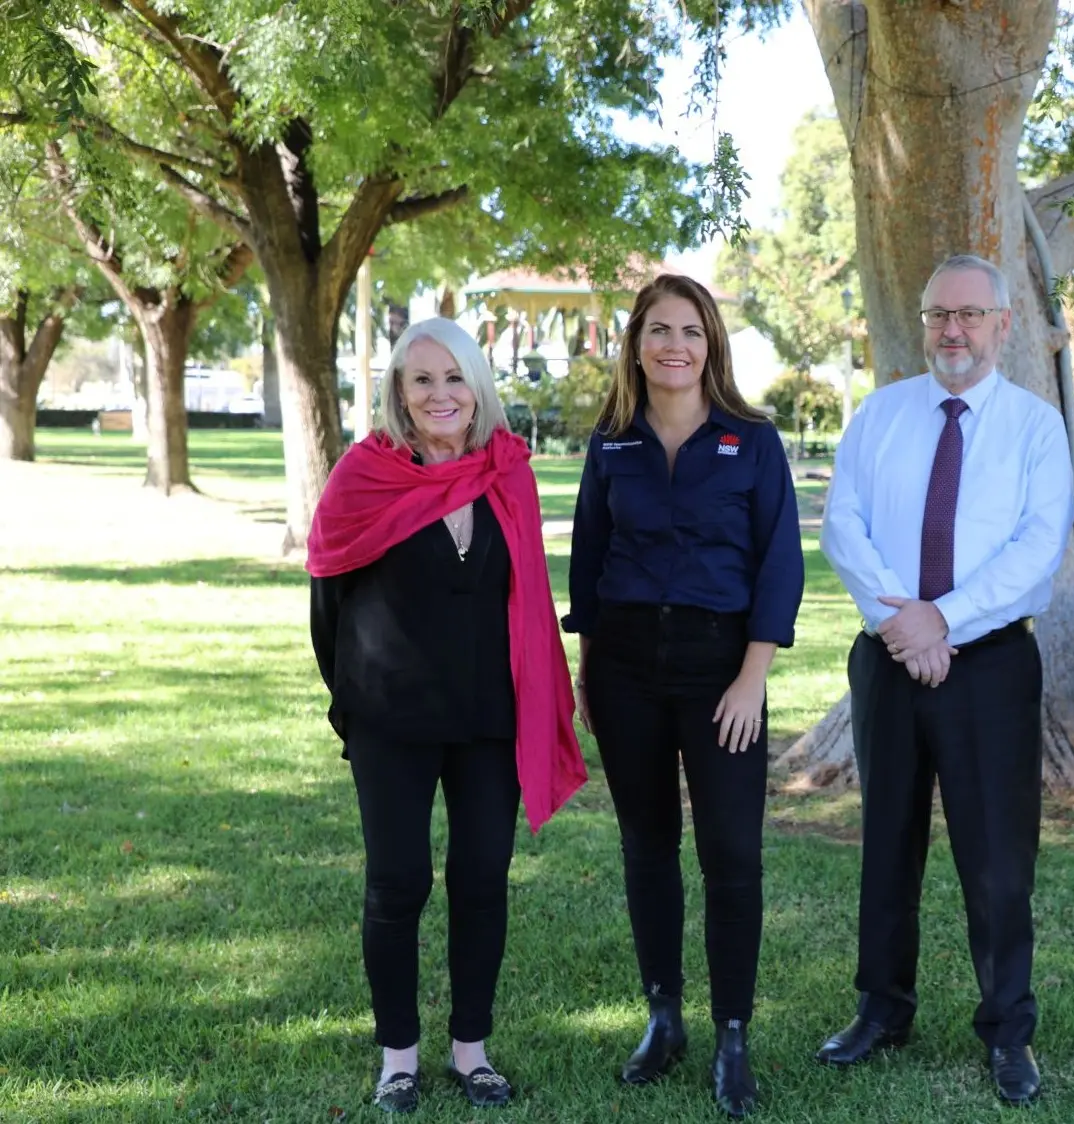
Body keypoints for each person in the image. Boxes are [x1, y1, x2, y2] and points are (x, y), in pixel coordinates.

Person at [307, 318, 586, 1113]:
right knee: (397, 884)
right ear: (398, 390)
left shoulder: (509, 474)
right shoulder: (362, 477)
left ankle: (472, 1051)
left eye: (454, 378)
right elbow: (327, 603)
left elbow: (527, 593)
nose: (439, 394)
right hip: (390, 719)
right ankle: (399, 1057)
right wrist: (358, 702)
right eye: (420, 379)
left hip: (489, 719)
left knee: (479, 880)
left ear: (478, 388)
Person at [815, 254, 1074, 1106]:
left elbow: (1038, 550)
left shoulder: (1036, 429)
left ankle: (1008, 1030)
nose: (951, 331)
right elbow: (843, 525)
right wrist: (903, 623)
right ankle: (882, 1010)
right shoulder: (880, 416)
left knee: (998, 860)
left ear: (1003, 324)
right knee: (886, 844)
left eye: (969, 315)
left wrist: (945, 619)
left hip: (991, 665)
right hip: (890, 657)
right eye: (937, 315)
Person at [564, 273, 803, 1120]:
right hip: (625, 666)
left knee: (732, 856)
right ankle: (664, 1018)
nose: (675, 346)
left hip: (720, 669)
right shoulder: (613, 442)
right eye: (659, 330)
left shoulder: (753, 440)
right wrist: (589, 671)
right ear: (636, 344)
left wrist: (752, 677)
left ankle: (732, 1034)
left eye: (691, 331)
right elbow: (588, 560)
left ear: (712, 345)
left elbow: (781, 563)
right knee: (648, 845)